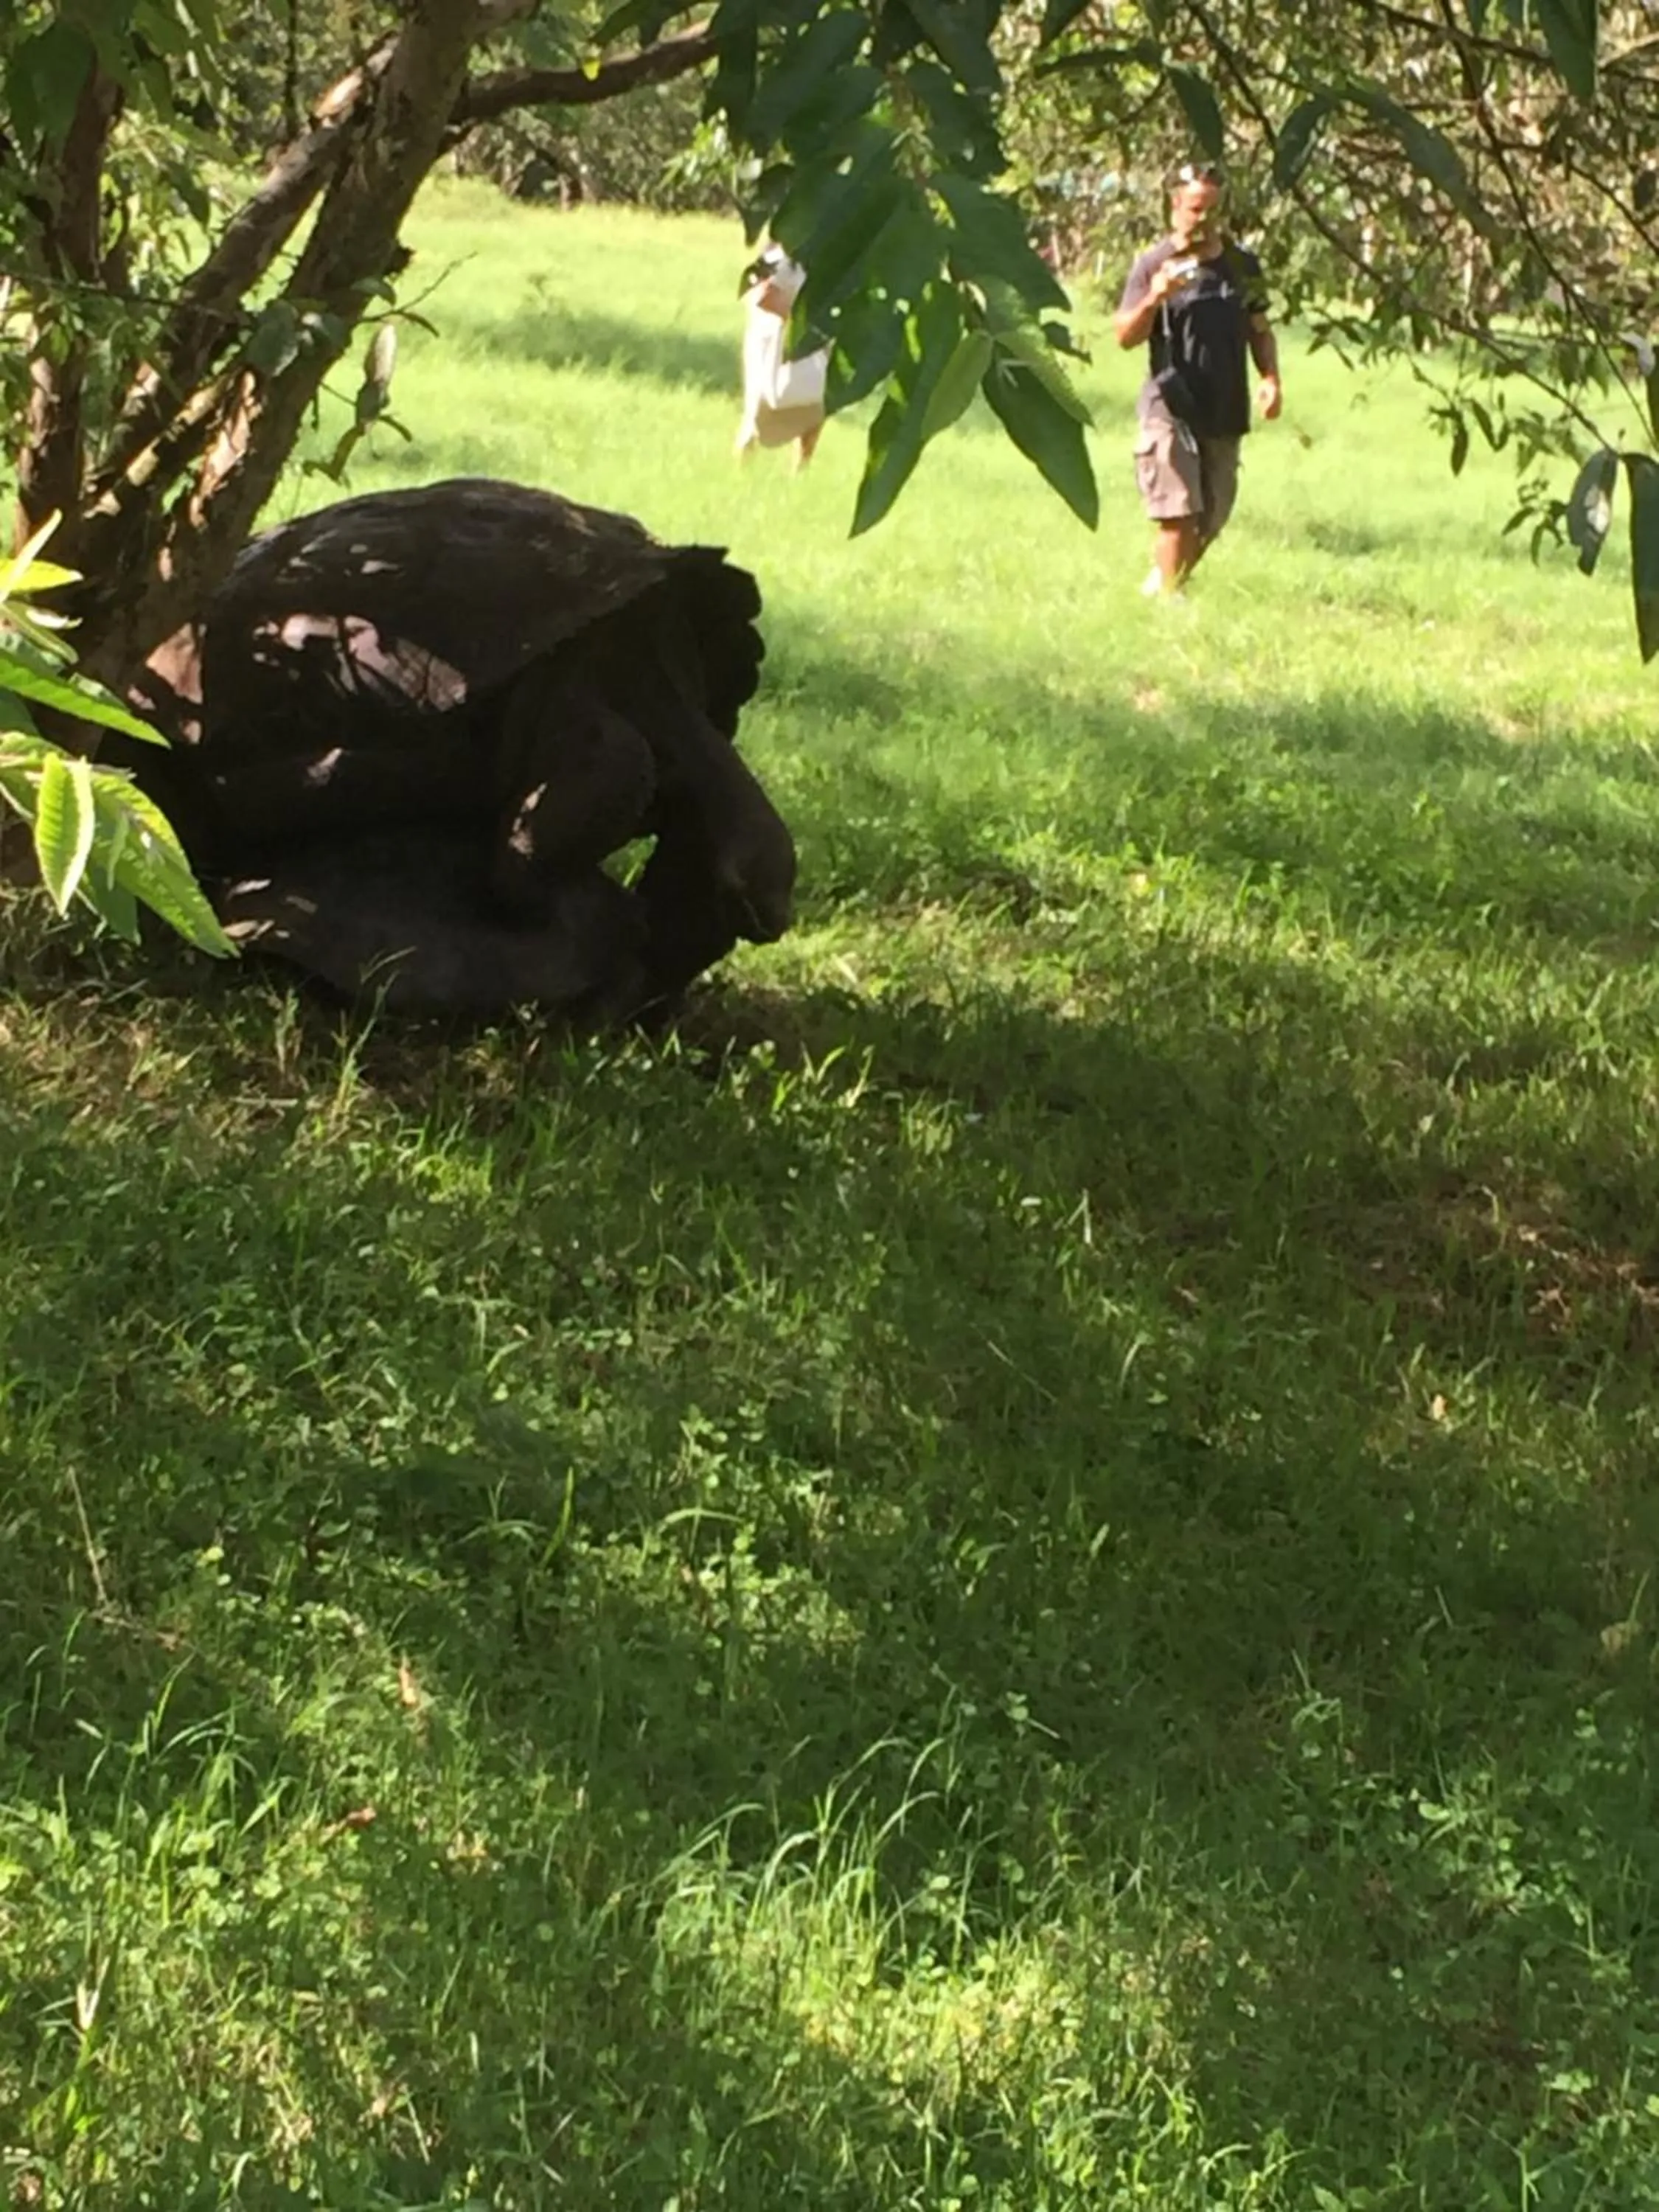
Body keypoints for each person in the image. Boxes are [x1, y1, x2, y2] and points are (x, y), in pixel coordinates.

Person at [1114, 161, 1282, 599]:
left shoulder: (1241, 265)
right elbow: (1125, 336)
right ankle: (1169, 600)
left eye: (1211, 209)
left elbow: (1259, 328)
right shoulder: (1153, 263)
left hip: (1224, 405)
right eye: (1194, 208)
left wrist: (1270, 377)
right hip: (1169, 404)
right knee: (1178, 512)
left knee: (1213, 516)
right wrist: (1156, 296)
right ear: (1175, 206)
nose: (1202, 218)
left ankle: (1163, 583)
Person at [735, 245, 828, 471]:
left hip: (807, 344)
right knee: (756, 417)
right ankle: (740, 473)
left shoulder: (822, 253)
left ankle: (799, 475)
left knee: (813, 411)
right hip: (772, 348)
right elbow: (765, 296)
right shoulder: (783, 257)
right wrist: (807, 321)